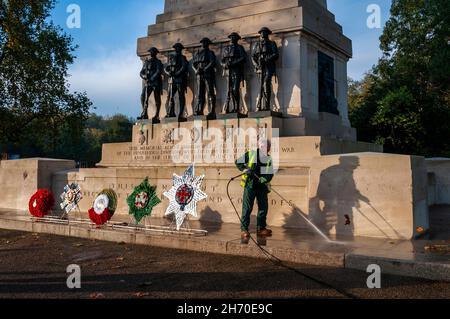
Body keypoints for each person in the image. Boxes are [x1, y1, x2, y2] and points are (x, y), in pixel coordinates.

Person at [235, 140, 274, 239]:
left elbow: (270, 173)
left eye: (268, 147)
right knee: (247, 208)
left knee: (263, 208)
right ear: (260, 147)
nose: (266, 149)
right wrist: (244, 169)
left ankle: (261, 228)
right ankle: (244, 230)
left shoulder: (268, 158)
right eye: (264, 147)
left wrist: (265, 178)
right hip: (250, 185)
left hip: (262, 187)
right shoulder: (251, 154)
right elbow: (238, 162)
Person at [252, 27, 279, 112]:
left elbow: (275, 54)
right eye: (261, 32)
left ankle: (266, 105)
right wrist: (256, 65)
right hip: (260, 67)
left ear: (268, 33)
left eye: (265, 32)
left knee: (266, 83)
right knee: (261, 86)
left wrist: (267, 59)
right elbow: (253, 56)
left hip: (268, 67)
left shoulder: (271, 43)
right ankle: (260, 104)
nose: (263, 33)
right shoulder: (256, 44)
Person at [221, 32, 247, 114]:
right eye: (231, 37)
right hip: (228, 71)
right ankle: (231, 108)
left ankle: (237, 108)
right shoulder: (226, 49)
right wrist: (224, 64)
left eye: (234, 37)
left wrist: (233, 63)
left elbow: (243, 58)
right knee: (230, 90)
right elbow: (221, 60)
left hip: (236, 70)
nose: (232, 38)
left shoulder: (239, 47)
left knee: (235, 89)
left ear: (237, 39)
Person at [192, 37, 217, 119]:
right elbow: (193, 64)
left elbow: (212, 62)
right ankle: (199, 109)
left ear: (208, 43)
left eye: (205, 42)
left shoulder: (210, 52)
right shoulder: (198, 53)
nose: (203, 44)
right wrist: (196, 70)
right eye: (202, 42)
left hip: (207, 74)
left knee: (210, 92)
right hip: (199, 75)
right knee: (200, 93)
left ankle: (211, 110)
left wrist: (205, 69)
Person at [165, 43, 189, 121]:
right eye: (175, 48)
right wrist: (168, 72)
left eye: (178, 48)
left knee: (180, 96)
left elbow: (184, 67)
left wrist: (176, 73)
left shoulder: (182, 57)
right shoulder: (171, 58)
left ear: (180, 49)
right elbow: (166, 68)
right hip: (172, 79)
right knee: (170, 96)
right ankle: (171, 112)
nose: (176, 49)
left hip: (179, 79)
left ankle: (181, 113)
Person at [139, 47, 163, 122]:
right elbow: (141, 72)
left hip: (155, 83)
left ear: (155, 53)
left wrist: (152, 78)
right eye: (150, 52)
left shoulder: (158, 62)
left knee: (157, 99)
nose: (151, 53)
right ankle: (144, 112)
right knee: (143, 97)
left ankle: (157, 114)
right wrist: (145, 76)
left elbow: (158, 71)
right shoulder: (147, 62)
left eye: (152, 52)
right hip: (148, 83)